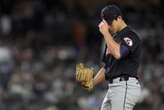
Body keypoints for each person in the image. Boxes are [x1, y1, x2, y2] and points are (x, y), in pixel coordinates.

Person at [76, 4, 142, 110]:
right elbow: (107, 67)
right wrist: (91, 83)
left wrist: (106, 34)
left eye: (110, 23)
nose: (108, 27)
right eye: (106, 24)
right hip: (113, 88)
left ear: (119, 18)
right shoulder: (112, 39)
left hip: (125, 85)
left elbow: (119, 53)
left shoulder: (130, 35)